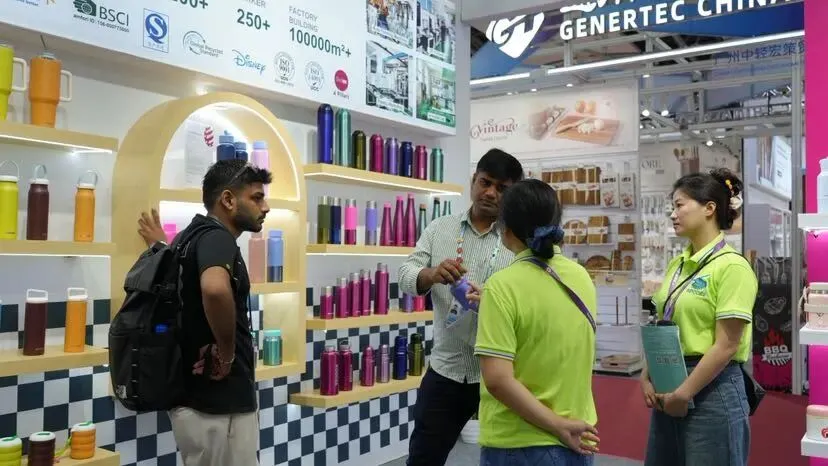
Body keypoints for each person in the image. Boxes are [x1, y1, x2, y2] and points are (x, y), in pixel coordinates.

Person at [137, 160, 272, 466]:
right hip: (221, 404)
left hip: (192, 400)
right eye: (256, 198)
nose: (265, 207)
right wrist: (227, 354)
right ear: (228, 200)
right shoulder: (217, 238)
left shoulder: (187, 238)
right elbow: (214, 289)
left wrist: (159, 244)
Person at [398, 148, 523, 465]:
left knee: (507, 459)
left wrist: (493, 303)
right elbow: (405, 274)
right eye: (485, 182)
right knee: (424, 458)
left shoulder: (519, 241)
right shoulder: (440, 228)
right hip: (447, 369)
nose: (490, 193)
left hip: (502, 374)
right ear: (473, 180)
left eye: (502, 188)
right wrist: (430, 274)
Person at [474, 179, 600, 466]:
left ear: (505, 229)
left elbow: (498, 380)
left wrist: (556, 425)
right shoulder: (581, 276)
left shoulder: (502, 286)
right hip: (579, 435)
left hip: (519, 442)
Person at [642, 168, 757, 466]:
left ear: (709, 208)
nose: (673, 214)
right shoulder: (677, 266)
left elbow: (727, 344)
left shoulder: (732, 267)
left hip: (712, 390)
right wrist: (647, 374)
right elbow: (664, 324)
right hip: (669, 383)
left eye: (680, 205)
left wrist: (684, 393)